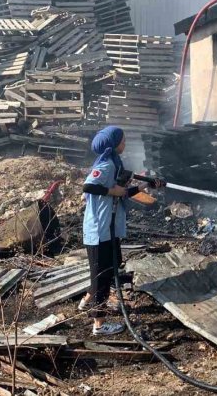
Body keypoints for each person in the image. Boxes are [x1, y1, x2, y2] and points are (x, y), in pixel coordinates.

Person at [78, 126, 160, 335]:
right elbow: (88, 187)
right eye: (123, 141)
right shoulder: (105, 165)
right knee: (102, 276)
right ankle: (99, 325)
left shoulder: (113, 164)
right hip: (99, 230)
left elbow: (123, 193)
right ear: (114, 144)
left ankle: (87, 301)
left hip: (108, 230)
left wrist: (145, 185)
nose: (125, 144)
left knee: (107, 269)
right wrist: (110, 190)